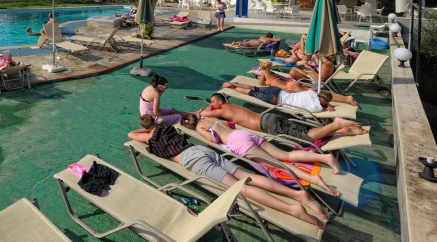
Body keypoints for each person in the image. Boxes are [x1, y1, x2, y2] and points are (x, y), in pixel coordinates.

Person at [128, 115, 327, 228]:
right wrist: (156, 124)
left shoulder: (150, 137)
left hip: (191, 159)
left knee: (240, 188)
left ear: (146, 129)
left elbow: (132, 135)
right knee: (246, 177)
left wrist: (147, 131)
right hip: (200, 150)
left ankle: (292, 209)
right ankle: (297, 194)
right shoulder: (169, 128)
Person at [184, 115, 341, 194]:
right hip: (243, 134)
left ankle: (314, 179)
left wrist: (206, 133)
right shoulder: (211, 117)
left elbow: (213, 139)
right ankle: (325, 157)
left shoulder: (199, 127)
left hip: (238, 143)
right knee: (285, 156)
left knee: (280, 165)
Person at [200, 94, 368, 142]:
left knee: (309, 137)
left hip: (268, 125)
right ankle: (345, 130)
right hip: (269, 117)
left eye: (213, 101)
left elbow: (204, 114)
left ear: (220, 102)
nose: (211, 104)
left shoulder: (222, 110)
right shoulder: (231, 106)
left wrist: (207, 109)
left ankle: (336, 124)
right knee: (307, 130)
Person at [221, 81, 360, 110]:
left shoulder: (312, 93)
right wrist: (327, 106)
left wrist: (326, 103)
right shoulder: (317, 108)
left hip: (278, 91)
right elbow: (321, 105)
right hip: (276, 99)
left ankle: (233, 84)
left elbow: (318, 97)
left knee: (254, 87)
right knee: (251, 93)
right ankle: (235, 88)